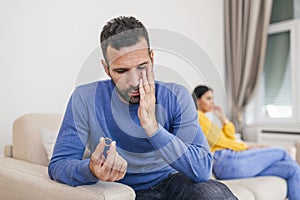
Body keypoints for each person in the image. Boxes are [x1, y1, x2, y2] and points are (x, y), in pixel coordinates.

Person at [48, 16, 237, 199]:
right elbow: (58, 164)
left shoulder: (177, 96)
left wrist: (153, 128)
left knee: (214, 194)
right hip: (120, 190)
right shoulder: (84, 98)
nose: (134, 81)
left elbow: (202, 170)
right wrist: (90, 169)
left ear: (152, 57)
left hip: (171, 182)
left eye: (142, 66)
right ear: (106, 69)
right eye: (121, 71)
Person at [192, 85, 300, 200]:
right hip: (225, 160)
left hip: (228, 162)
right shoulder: (197, 117)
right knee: (282, 152)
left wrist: (223, 119)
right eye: (208, 98)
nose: (212, 102)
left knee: (291, 169)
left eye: (213, 98)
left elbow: (231, 137)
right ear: (198, 101)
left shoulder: (206, 119)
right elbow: (220, 141)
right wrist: (248, 146)